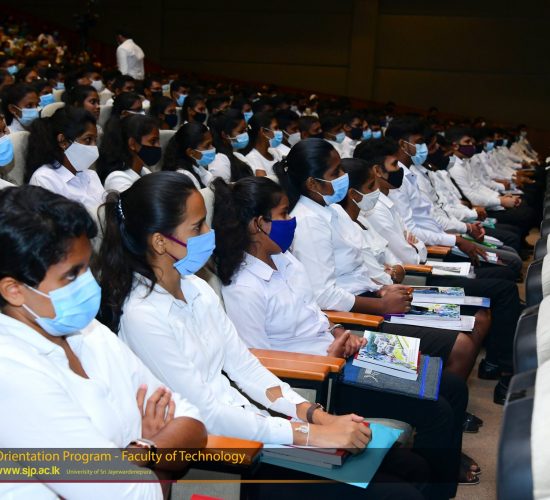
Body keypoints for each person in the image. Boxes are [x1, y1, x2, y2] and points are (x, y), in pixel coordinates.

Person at [94, 171, 429, 500]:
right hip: (227, 454)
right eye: (197, 227)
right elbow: (207, 411)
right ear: (160, 241)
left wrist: (315, 415)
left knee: (411, 468)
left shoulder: (195, 287)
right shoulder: (142, 316)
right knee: (398, 492)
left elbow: (245, 366)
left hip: (253, 426)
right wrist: (310, 435)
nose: (210, 234)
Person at [212, 175, 473, 494]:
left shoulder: (285, 259)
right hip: (323, 379)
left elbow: (314, 313)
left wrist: (340, 333)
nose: (291, 220)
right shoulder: (244, 287)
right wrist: (328, 357)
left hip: (344, 355)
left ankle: (441, 475)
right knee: (437, 412)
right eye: (283, 214)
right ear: (258, 224)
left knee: (451, 386)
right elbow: (260, 363)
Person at [0, 184, 206, 499]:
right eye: (72, 275)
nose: (88, 283)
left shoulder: (88, 330)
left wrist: (142, 451)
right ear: (14, 290)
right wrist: (159, 465)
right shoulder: (11, 374)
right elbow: (132, 496)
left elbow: (191, 421)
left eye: (87, 267)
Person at [355, 136, 523, 405]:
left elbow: (412, 249)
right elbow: (405, 256)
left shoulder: (380, 204)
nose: (400, 169)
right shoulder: (368, 212)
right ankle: (490, 375)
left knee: (486, 306)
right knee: (490, 304)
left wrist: (412, 253)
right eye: (395, 164)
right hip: (406, 286)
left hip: (410, 276)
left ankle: (490, 372)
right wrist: (410, 255)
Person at [25, 106, 105, 216]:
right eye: (88, 139)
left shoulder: (91, 174)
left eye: (95, 140)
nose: (94, 147)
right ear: (63, 141)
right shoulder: (44, 180)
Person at [97, 114, 158, 192]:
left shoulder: (144, 171)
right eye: (153, 141)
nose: (158, 146)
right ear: (132, 144)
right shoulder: (117, 180)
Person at [162, 122, 215, 188]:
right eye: (207, 145)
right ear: (191, 152)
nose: (212, 148)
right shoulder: (184, 176)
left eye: (211, 144)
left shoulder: (195, 165)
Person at [208, 109, 254, 182]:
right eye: (241, 131)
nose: (245, 134)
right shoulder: (218, 161)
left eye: (246, 130)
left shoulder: (238, 156)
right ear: (225, 135)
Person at [244, 112, 284, 176]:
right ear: (262, 131)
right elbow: (264, 181)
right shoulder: (253, 158)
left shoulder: (274, 152)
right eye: (276, 128)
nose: (279, 131)